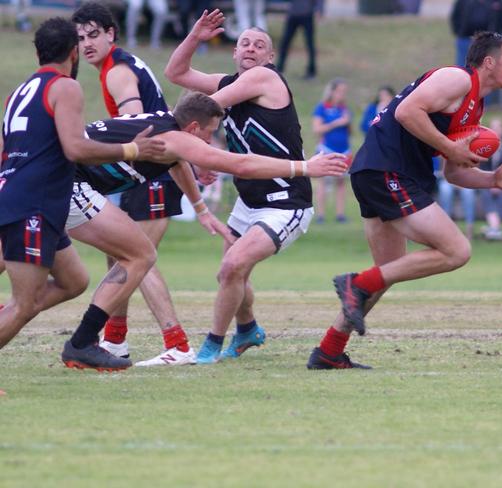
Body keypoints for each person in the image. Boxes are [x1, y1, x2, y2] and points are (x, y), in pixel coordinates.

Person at [61, 94, 346, 370]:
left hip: (59, 178)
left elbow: (174, 162)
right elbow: (241, 164)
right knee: (139, 255)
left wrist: (201, 209)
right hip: (67, 182)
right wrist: (305, 167)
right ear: (193, 127)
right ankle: (85, 341)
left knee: (65, 279)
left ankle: (99, 341)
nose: (209, 141)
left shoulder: (165, 122)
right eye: (209, 134)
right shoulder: (176, 137)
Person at [306, 32, 502, 370]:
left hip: (381, 172)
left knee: (387, 273)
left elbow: (454, 173)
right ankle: (355, 283)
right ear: (490, 62)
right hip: (388, 169)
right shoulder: (457, 79)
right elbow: (407, 111)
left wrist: (491, 179)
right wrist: (450, 147)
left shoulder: (474, 106)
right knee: (457, 251)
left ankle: (328, 351)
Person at [0, 17, 165, 357]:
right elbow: (76, 148)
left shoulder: (19, 92)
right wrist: (131, 150)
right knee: (24, 304)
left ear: (37, 52)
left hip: (26, 197)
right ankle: (71, 342)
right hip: (34, 203)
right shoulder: (64, 87)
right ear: (73, 53)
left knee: (73, 281)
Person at [165, 10, 322, 363]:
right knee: (234, 275)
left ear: (270, 58)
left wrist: (193, 151)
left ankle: (211, 346)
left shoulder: (265, 78)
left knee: (231, 267)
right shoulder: (231, 84)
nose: (251, 48)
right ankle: (248, 327)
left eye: (259, 45)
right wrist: (194, 36)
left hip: (286, 202)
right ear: (235, 54)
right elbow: (176, 74)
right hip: (248, 201)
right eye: (244, 43)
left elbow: (202, 108)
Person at [72, 1, 209, 366]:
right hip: (151, 171)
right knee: (119, 254)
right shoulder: (118, 65)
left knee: (137, 256)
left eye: (94, 35)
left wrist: (95, 144)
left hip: (149, 173)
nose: (86, 43)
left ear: (111, 34)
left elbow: (135, 125)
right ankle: (115, 340)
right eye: (81, 37)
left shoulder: (117, 71)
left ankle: (177, 344)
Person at [312, 78, 352, 223]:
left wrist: (347, 123)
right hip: (326, 148)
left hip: (344, 150)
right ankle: (320, 215)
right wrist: (336, 123)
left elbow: (349, 131)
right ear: (332, 91)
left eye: (344, 92)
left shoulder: (344, 109)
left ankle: (340, 214)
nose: (342, 94)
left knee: (341, 182)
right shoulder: (322, 107)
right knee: (323, 181)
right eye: (340, 91)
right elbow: (317, 129)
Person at [276, 0, 324, 79]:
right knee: (285, 43)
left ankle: (311, 71)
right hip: (293, 15)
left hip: (307, 15)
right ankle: (279, 69)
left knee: (310, 44)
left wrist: (319, 10)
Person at [450, 0, 502, 67]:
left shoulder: (495, 2)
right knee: (462, 64)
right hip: (465, 37)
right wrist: (458, 31)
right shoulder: (463, 1)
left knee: (482, 65)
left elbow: (501, 18)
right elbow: (455, 16)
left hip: (486, 40)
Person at [436, 158, 476, 239]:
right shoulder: (446, 152)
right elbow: (444, 173)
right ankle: (446, 227)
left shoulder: (469, 152)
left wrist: (461, 183)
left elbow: (473, 171)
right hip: (448, 181)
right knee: (445, 190)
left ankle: (469, 227)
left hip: (465, 181)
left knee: (469, 193)